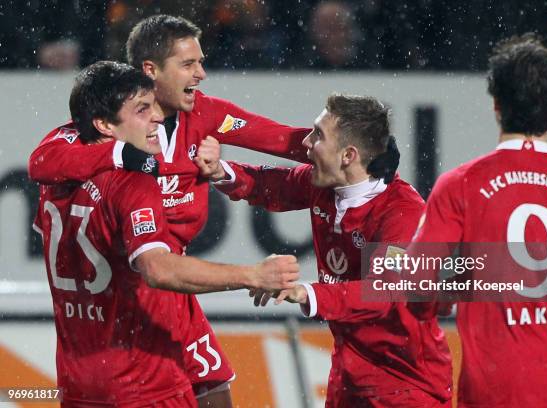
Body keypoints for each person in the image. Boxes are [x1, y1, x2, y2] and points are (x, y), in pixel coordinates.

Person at [28, 15, 309, 407]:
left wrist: (344, 143)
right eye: (189, 64)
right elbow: (41, 161)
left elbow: (286, 141)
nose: (202, 73)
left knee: (215, 387)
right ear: (151, 70)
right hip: (143, 289)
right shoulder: (115, 154)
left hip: (158, 289)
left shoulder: (206, 116)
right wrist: (126, 156)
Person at [198, 94, 453, 407]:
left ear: (348, 155)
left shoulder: (403, 213)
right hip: (348, 376)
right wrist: (221, 170)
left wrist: (307, 292)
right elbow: (274, 186)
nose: (305, 141)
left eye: (317, 134)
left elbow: (385, 293)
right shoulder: (325, 186)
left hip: (405, 384)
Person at [407, 34, 547, 407]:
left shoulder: (462, 184)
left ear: (496, 106)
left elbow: (416, 282)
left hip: (497, 385)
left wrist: (446, 294)